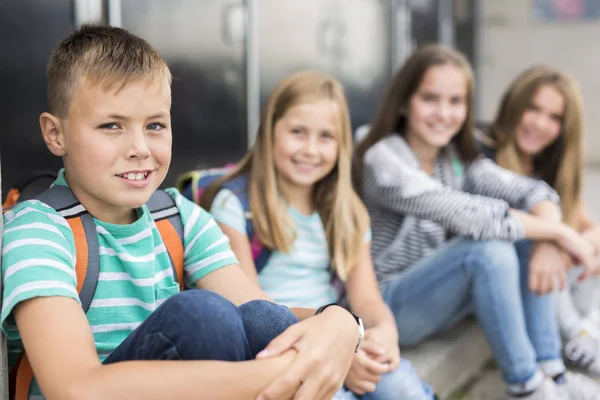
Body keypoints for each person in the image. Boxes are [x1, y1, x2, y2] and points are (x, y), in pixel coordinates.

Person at [1, 25, 363, 400]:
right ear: (55, 134)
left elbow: (263, 315)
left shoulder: (177, 215)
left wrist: (341, 323)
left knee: (262, 318)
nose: (140, 148)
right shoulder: (38, 230)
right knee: (202, 316)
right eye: (112, 126)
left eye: (155, 125)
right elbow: (75, 389)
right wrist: (282, 373)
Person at [353, 44, 600, 400]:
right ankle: (527, 387)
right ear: (405, 101)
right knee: (487, 249)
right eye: (430, 99)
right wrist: (559, 231)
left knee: (523, 235)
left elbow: (529, 190)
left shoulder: (453, 157)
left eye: (456, 101)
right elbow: (466, 214)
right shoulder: (383, 158)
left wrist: (547, 240)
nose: (444, 113)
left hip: (438, 293)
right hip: (388, 303)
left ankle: (553, 373)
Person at [201, 70, 435, 400]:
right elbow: (252, 308)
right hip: (278, 344)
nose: (311, 149)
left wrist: (384, 332)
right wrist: (338, 342)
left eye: (325, 137)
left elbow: (366, 298)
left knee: (399, 385)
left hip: (341, 330)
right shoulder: (236, 205)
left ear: (341, 146)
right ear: (270, 132)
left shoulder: (346, 211)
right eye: (297, 132)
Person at [481, 65, 600, 376]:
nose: (539, 124)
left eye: (555, 117)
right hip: (492, 279)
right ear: (514, 104)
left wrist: (565, 244)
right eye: (532, 109)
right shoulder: (483, 156)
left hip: (550, 286)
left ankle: (585, 336)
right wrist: (552, 237)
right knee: (532, 242)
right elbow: (496, 222)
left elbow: (593, 230)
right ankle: (571, 346)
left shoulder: (548, 167)